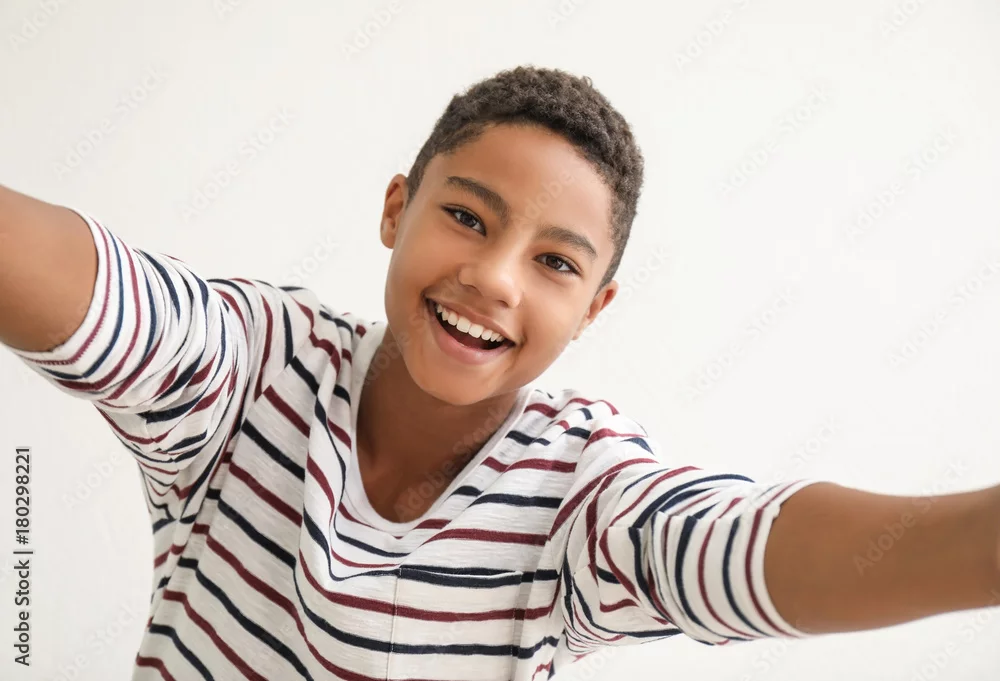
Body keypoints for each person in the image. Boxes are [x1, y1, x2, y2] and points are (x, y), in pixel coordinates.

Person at [1, 65, 998, 681]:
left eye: (555, 262)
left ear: (594, 307)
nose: (494, 278)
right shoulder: (255, 368)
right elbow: (96, 294)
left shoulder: (582, 497)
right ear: (396, 208)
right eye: (466, 217)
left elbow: (740, 543)